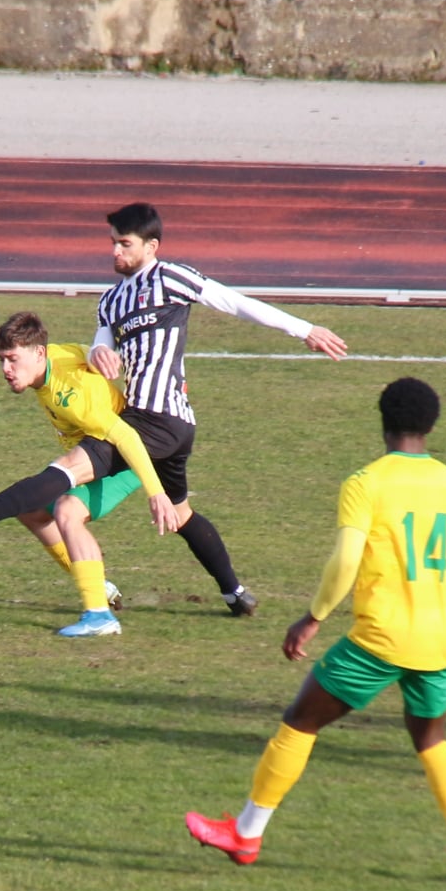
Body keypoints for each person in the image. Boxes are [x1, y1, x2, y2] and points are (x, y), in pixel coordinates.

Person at [184, 378, 446, 886]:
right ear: (432, 425)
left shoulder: (366, 482)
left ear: (382, 420)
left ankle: (245, 834)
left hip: (381, 640)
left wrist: (312, 617)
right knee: (431, 741)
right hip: (439, 642)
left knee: (300, 721)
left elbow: (347, 558)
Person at [86, 201, 350, 617]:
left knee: (67, 489)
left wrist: (304, 329)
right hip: (165, 426)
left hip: (155, 422)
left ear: (151, 246)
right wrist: (100, 353)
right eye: (112, 243)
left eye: (124, 244)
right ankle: (235, 593)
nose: (114, 252)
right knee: (181, 513)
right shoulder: (110, 301)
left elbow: (233, 302)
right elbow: (98, 343)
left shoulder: (170, 277)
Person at [0, 311, 181, 637]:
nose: (5, 369)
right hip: (101, 451)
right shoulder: (54, 358)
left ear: (38, 354)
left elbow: (128, 437)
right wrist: (95, 352)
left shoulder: (74, 397)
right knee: (31, 512)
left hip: (129, 460)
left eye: (13, 360)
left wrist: (156, 493)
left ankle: (99, 615)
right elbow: (81, 351)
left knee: (67, 509)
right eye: (1, 360)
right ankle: (97, 586)